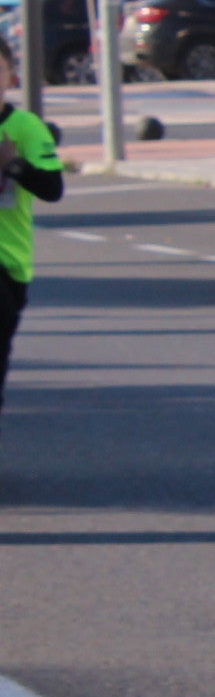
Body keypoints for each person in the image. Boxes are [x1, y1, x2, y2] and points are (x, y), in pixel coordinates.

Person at [0, 35, 66, 435]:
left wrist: (16, 166)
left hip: (5, 265)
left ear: (10, 76)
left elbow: (53, 189)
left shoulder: (23, 126)